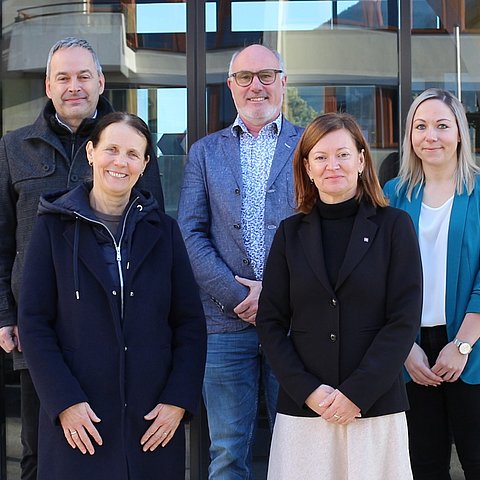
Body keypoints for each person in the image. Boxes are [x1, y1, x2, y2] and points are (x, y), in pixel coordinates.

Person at [0, 37, 164, 479]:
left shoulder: (127, 143)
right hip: (41, 329)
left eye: (83, 76)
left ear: (101, 82)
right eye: (63, 78)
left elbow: (156, 235)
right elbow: (1, 240)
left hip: (123, 329)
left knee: (118, 445)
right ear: (48, 86)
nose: (74, 86)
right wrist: (4, 314)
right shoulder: (14, 147)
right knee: (42, 449)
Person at [17, 112, 206, 480]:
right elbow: (34, 322)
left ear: (145, 164)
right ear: (91, 153)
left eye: (133, 154)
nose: (121, 162)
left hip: (151, 421)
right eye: (112, 149)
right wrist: (64, 402)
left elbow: (189, 324)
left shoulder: (164, 231)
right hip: (81, 419)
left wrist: (178, 400)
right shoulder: (52, 228)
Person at [256, 112, 423, 479]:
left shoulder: (394, 226)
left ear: (361, 160)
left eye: (343, 154)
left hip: (373, 408)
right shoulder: (289, 233)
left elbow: (403, 320)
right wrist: (310, 391)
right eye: (320, 157)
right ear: (307, 168)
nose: (333, 165)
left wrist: (356, 395)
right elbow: (270, 322)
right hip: (306, 411)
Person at [177, 44, 303, 479]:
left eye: (266, 75)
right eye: (245, 77)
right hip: (224, 323)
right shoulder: (205, 152)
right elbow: (190, 232)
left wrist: (277, 297)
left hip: (295, 322)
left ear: (283, 82)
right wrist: (236, 296)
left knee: (298, 443)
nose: (256, 86)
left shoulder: (310, 145)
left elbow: (323, 231)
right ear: (231, 87)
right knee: (228, 450)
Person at [384, 88, 480, 480]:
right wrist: (404, 348)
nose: (431, 136)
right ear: (409, 136)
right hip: (411, 351)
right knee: (423, 465)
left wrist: (461, 345)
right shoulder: (392, 195)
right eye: (420, 127)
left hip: (472, 344)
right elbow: (378, 278)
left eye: (442, 125)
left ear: (460, 132)